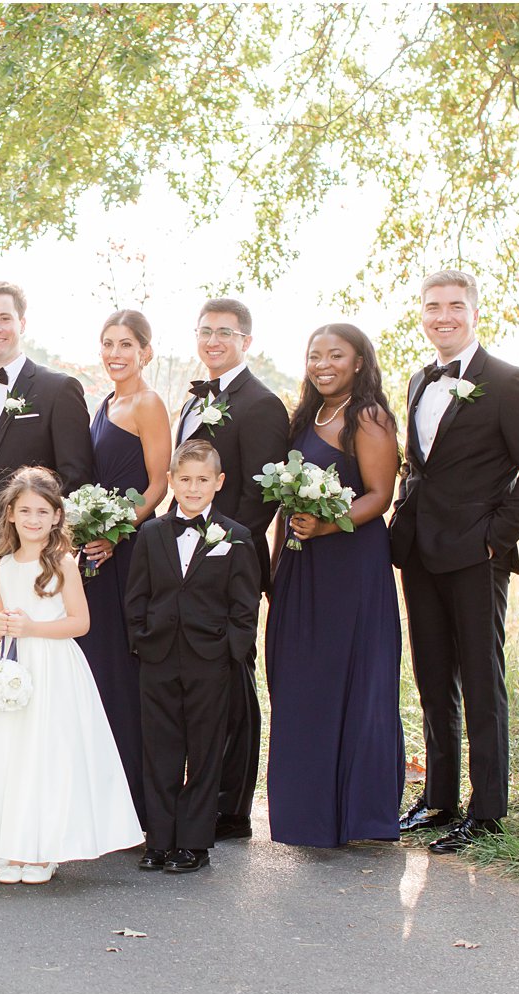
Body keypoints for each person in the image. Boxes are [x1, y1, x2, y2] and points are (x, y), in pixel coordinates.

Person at [390, 270, 519, 854]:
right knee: (433, 677)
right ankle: (438, 799)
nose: (443, 316)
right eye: (433, 306)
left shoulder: (509, 383)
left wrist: (496, 536)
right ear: (423, 313)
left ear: (475, 312)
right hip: (418, 551)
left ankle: (486, 810)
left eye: (455, 306)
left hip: (475, 554)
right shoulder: (418, 380)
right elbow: (420, 466)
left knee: (482, 680)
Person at [0, 467, 142, 885]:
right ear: (11, 516)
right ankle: (16, 846)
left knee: (47, 754)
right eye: (25, 511)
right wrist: (0, 627)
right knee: (11, 755)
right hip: (12, 667)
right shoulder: (1, 566)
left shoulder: (62, 563)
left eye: (42, 511)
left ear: (57, 516)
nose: (33, 519)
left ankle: (45, 849)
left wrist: (33, 628)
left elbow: (79, 623)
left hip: (53, 666)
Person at [265, 323, 404, 847]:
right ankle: (308, 814)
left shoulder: (367, 417)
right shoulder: (307, 416)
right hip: (303, 563)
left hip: (351, 563)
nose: (323, 364)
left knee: (351, 680)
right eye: (314, 355)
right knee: (302, 680)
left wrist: (328, 523)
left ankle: (357, 816)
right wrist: (281, 562)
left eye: (335, 355)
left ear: (359, 362)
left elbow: (379, 494)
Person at [174, 297, 290, 842]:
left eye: (225, 332)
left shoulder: (261, 403)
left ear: (247, 339)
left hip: (231, 563)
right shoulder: (193, 400)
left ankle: (232, 807)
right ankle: (199, 793)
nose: (213, 341)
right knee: (200, 680)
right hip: (188, 560)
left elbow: (259, 495)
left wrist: (218, 550)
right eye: (205, 332)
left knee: (235, 683)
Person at [125, 440, 259, 873]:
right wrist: (142, 639)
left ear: (219, 483)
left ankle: (194, 843)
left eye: (203, 480)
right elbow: (137, 595)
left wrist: (230, 653)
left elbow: (245, 606)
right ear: (171, 483)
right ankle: (159, 839)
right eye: (185, 479)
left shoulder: (236, 537)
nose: (193, 487)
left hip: (210, 660)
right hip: (159, 656)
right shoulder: (151, 534)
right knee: (159, 749)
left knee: (204, 751)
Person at [0, 279, 94, 657]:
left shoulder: (58, 388)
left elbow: (76, 475)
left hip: (32, 544)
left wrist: (42, 538)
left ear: (22, 323)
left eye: (5, 318)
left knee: (28, 649)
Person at [74, 310, 170, 825]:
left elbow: (159, 482)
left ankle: (133, 798)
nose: (115, 353)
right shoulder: (106, 402)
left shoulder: (149, 404)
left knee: (121, 665)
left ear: (145, 352)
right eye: (108, 343)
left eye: (126, 345)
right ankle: (97, 788)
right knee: (96, 663)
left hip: (126, 551)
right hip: (94, 551)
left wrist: (117, 532)